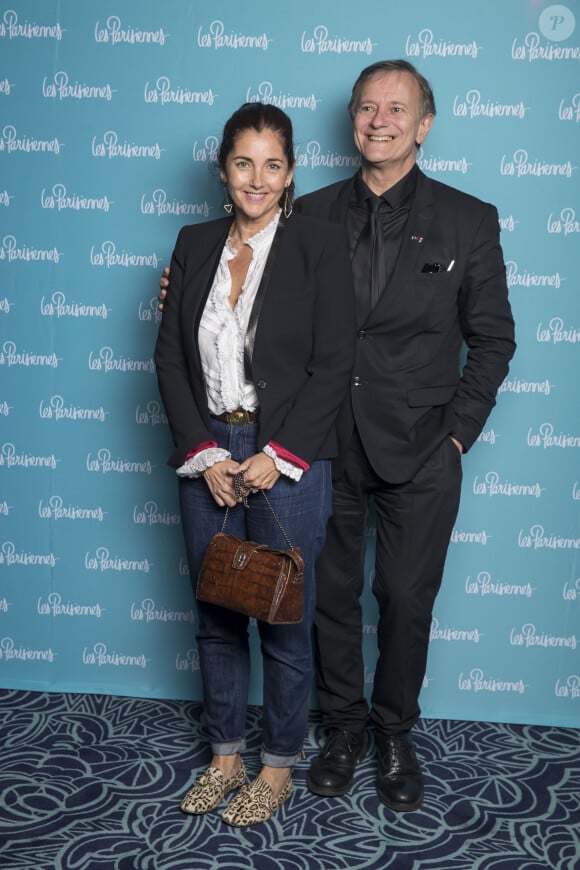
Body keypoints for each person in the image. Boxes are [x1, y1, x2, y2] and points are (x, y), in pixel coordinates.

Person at [159, 60, 516, 814]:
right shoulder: (305, 214)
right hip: (321, 446)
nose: (378, 120)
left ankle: (393, 734)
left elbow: (492, 341)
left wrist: (455, 437)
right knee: (326, 602)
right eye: (365, 107)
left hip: (419, 447)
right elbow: (235, 291)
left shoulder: (468, 219)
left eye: (397, 109)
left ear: (423, 125)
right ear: (351, 120)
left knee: (407, 598)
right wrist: (181, 289)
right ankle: (343, 731)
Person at [154, 102, 355, 827]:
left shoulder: (318, 247)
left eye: (273, 164)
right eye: (244, 162)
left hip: (285, 457)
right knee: (216, 612)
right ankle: (226, 755)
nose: (258, 178)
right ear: (223, 169)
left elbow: (335, 364)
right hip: (209, 450)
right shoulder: (194, 241)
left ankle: (275, 767)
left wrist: (278, 455)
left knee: (284, 618)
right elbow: (171, 359)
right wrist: (202, 452)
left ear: (291, 172)